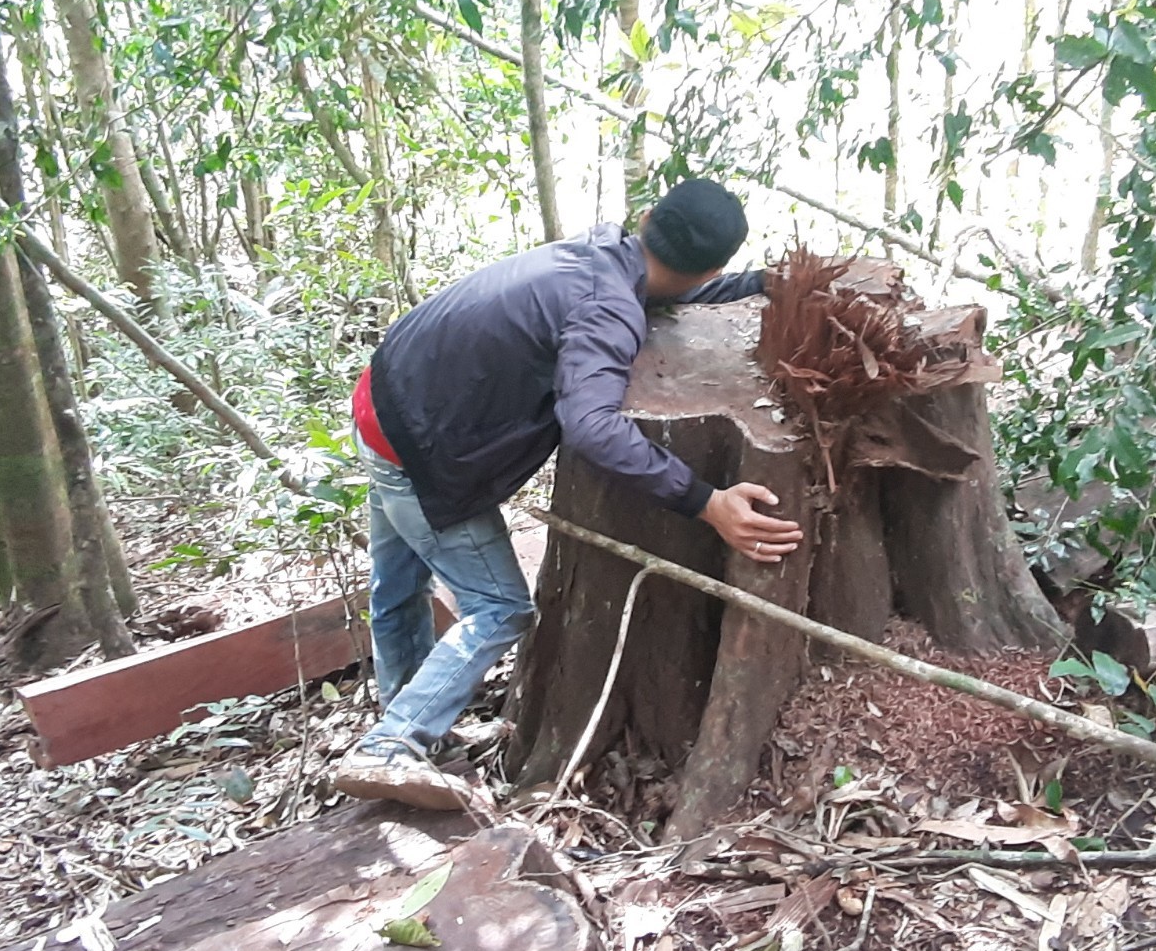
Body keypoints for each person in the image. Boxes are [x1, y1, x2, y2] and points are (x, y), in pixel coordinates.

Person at [334, 178, 804, 809]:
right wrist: (706, 500)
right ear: (711, 262)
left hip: (385, 403)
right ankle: (390, 747)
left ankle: (410, 718)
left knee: (398, 588)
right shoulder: (606, 307)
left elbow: (666, 292)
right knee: (500, 608)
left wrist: (760, 284)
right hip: (420, 450)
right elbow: (592, 425)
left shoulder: (601, 253)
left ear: (647, 218)